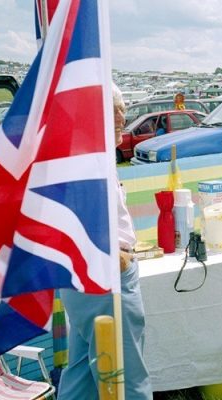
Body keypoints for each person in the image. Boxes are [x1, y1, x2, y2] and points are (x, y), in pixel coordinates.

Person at [57, 83, 153, 400]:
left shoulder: (81, 152)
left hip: (84, 275)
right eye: (115, 110)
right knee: (125, 376)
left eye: (123, 109)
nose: (123, 118)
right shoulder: (87, 158)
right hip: (104, 272)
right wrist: (116, 256)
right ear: (92, 113)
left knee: (82, 372)